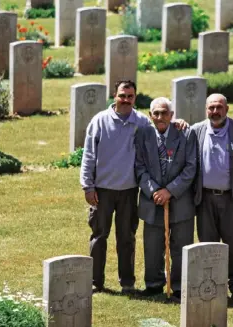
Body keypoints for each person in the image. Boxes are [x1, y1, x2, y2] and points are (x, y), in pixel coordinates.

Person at [80, 81, 187, 294]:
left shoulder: (142, 122)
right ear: (115, 95)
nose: (126, 100)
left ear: (135, 98)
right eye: (122, 95)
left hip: (129, 190)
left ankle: (127, 283)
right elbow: (89, 154)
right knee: (99, 236)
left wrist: (178, 122)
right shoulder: (99, 121)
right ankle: (95, 281)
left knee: (127, 237)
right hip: (102, 189)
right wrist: (87, 186)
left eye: (130, 96)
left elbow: (160, 127)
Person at [134, 97, 197, 303]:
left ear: (172, 115)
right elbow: (139, 166)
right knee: (152, 246)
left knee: (180, 246)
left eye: (164, 113)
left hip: (180, 200)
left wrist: (170, 190)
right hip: (152, 200)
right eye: (156, 113)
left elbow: (190, 168)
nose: (160, 117)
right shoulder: (143, 134)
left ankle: (178, 286)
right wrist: (153, 190)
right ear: (150, 115)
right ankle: (153, 284)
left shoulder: (186, 133)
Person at [192, 93, 233, 303]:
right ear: (205, 109)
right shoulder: (196, 131)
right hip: (205, 199)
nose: (215, 112)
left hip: (232, 199)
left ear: (227, 109)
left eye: (219, 107)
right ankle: (210, 286)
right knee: (207, 244)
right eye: (211, 108)